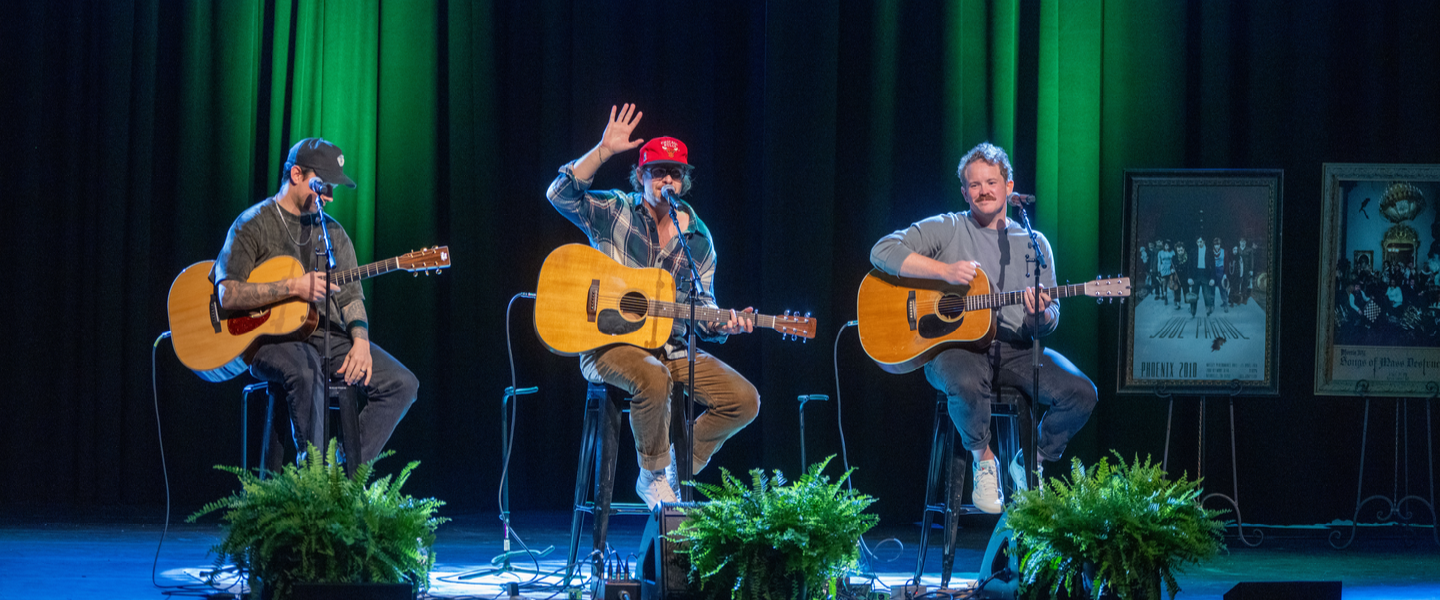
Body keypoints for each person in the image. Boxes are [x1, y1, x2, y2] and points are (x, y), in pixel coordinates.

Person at [545, 104, 760, 509]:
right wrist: (603, 150)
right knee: (654, 376)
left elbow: (702, 307)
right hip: (607, 343)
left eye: (674, 173)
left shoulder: (697, 238)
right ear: (640, 176)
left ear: (684, 181)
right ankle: (653, 476)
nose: (666, 179)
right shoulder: (616, 211)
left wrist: (724, 324)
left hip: (670, 346)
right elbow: (559, 194)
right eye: (657, 171)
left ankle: (676, 466)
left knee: (744, 399)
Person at [869, 142, 1098, 514]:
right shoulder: (947, 228)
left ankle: (1031, 462)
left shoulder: (1035, 244)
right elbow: (882, 250)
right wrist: (943, 271)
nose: (984, 191)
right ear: (964, 192)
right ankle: (984, 459)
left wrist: (1040, 315)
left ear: (1009, 187)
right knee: (963, 380)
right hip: (955, 349)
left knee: (1082, 393)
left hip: (1016, 349)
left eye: (992, 182)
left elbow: (1052, 315)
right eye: (974, 185)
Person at [212, 138, 419, 469]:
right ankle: (314, 483)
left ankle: (340, 475)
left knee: (403, 384)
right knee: (305, 373)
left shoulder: (333, 234)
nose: (330, 197)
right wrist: (293, 286)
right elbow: (228, 293)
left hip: (324, 335)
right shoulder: (253, 224)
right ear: (296, 174)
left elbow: (351, 296)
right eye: (322, 186)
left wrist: (361, 341)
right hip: (267, 340)